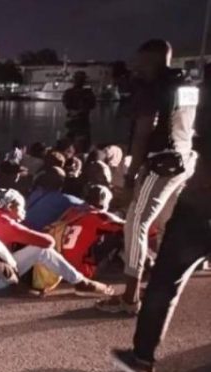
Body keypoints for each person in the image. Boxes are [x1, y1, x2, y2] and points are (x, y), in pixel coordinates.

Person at [108, 60, 211, 372]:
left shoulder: (164, 89)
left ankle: (142, 354)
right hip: (188, 176)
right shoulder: (186, 88)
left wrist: (131, 174)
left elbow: (146, 130)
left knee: (164, 279)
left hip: (198, 202)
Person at [97, 39, 198, 315]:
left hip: (161, 164)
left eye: (141, 63)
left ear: (152, 60)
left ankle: (130, 297)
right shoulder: (187, 86)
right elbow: (189, 125)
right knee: (167, 226)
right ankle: (159, 288)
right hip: (185, 160)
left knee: (135, 224)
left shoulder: (152, 90)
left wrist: (130, 179)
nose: (137, 69)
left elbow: (142, 135)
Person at [0, 188, 113, 296]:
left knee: (22, 248)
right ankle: (81, 282)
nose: (23, 210)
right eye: (20, 206)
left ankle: (19, 285)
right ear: (10, 206)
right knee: (41, 250)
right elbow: (48, 243)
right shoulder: (8, 224)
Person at [25, 166, 84, 231]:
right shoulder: (64, 200)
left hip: (26, 231)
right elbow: (86, 207)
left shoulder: (33, 194)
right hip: (35, 233)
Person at [62, 71, 96, 152]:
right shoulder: (87, 93)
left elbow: (92, 105)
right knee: (80, 144)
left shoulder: (70, 92)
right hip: (79, 122)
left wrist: (76, 112)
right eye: (79, 79)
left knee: (74, 143)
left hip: (77, 122)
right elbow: (92, 105)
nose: (80, 81)